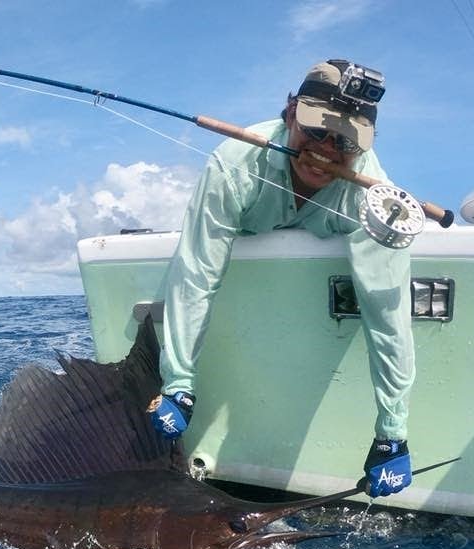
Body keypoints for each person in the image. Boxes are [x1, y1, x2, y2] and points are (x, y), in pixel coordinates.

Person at [147, 59, 414, 498]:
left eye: (346, 141)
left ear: (365, 145)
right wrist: (178, 383)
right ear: (290, 113)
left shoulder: (374, 198)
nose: (327, 149)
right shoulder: (234, 163)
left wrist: (394, 432)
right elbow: (197, 275)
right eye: (315, 130)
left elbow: (388, 317)